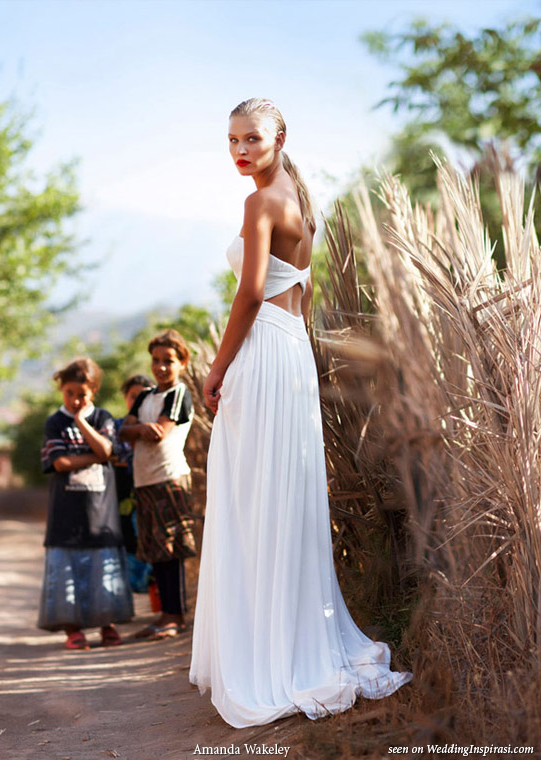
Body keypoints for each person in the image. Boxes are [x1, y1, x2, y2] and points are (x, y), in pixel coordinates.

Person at [189, 98, 413, 727]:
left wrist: (218, 366)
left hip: (262, 351)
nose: (239, 150)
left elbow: (253, 290)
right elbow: (302, 295)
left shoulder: (261, 202)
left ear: (279, 137)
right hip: (289, 356)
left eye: (251, 138)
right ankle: (283, 645)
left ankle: (269, 657)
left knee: (258, 500)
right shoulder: (298, 199)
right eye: (231, 139)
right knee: (279, 499)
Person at [38, 357, 134, 650]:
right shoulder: (54, 423)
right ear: (61, 390)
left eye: (82, 393)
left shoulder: (102, 417)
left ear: (93, 391)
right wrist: (96, 456)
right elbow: (61, 462)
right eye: (69, 393)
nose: (76, 399)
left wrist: (81, 422)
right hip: (65, 516)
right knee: (67, 571)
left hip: (100, 512)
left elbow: (107, 448)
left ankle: (108, 626)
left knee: (102, 569)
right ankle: (73, 630)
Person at [119, 330, 196, 641]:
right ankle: (164, 614)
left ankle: (176, 616)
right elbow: (123, 432)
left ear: (182, 364)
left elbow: (158, 433)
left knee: (172, 549)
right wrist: (139, 428)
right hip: (145, 480)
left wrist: (136, 428)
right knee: (155, 549)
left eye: (169, 361)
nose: (161, 367)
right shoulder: (144, 396)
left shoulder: (179, 395)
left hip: (169, 479)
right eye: (156, 360)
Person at [113, 374, 155, 593]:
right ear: (125, 398)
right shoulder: (115, 427)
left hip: (150, 494)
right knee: (126, 541)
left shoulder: (157, 426)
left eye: (142, 396)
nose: (136, 400)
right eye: (132, 396)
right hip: (121, 497)